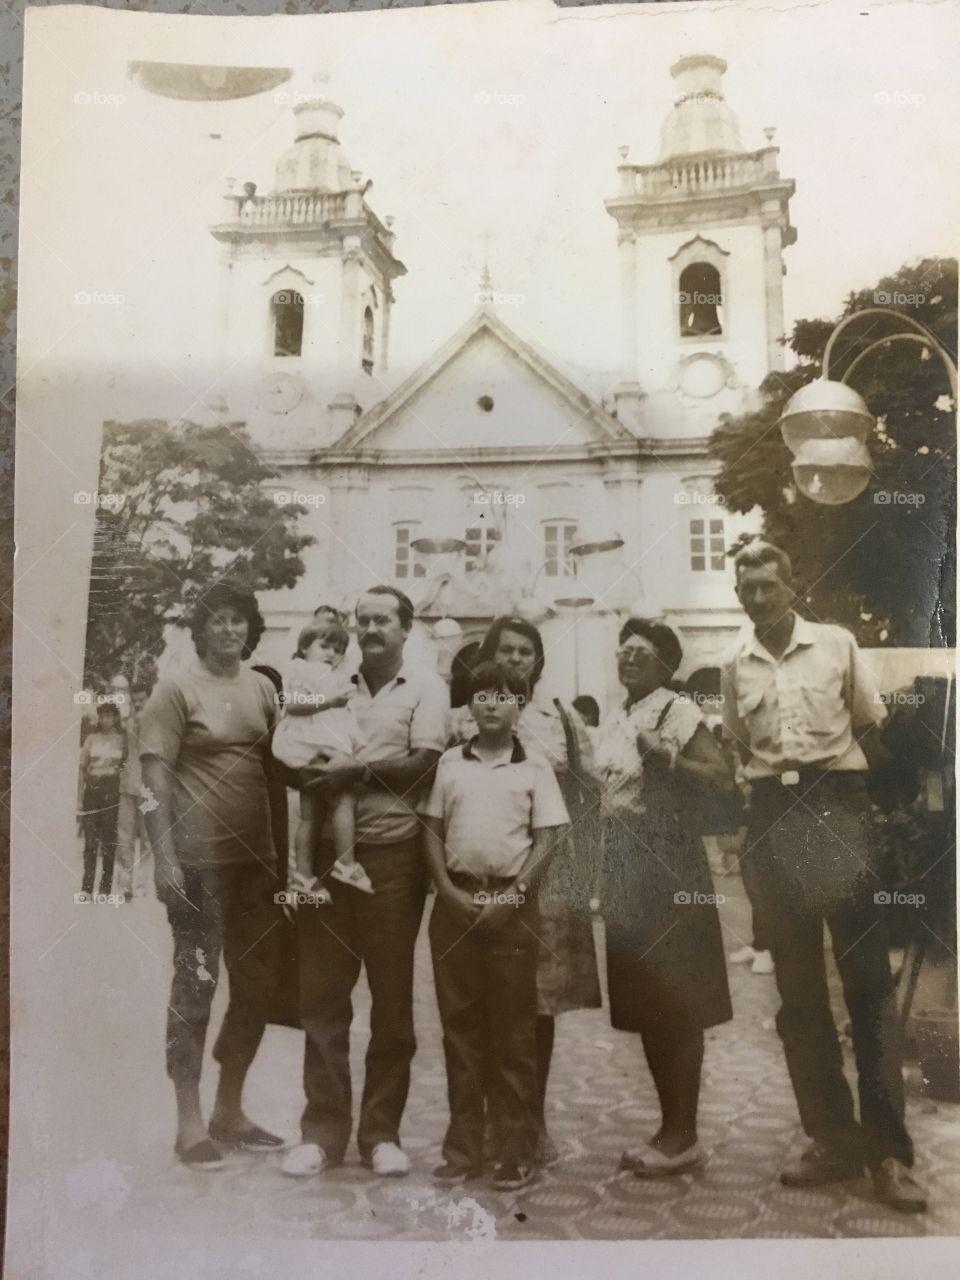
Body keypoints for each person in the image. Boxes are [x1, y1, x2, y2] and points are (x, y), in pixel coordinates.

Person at [721, 540, 926, 1213]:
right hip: (775, 820)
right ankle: (833, 1139)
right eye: (746, 588)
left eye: (767, 585)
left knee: (867, 984)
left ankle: (890, 1153)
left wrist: (872, 819)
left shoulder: (836, 645)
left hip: (838, 811)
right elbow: (741, 750)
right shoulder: (734, 666)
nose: (757, 598)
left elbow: (873, 726)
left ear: (792, 584)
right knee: (799, 995)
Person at [282, 585, 449, 1179]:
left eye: (383, 620)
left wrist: (356, 771)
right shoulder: (332, 682)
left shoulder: (426, 688)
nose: (370, 629)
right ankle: (322, 1134)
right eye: (363, 620)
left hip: (393, 860)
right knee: (323, 996)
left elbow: (424, 764)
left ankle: (381, 1133)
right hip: (329, 856)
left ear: (407, 629)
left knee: (391, 999)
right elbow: (291, 744)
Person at [139, 581, 286, 1171]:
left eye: (238, 620)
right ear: (199, 631)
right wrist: (165, 859)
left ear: (251, 630)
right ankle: (189, 1122)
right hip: (199, 869)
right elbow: (152, 782)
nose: (229, 630)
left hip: (256, 868)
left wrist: (286, 862)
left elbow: (279, 770)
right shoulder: (173, 690)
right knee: (194, 990)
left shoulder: (262, 689)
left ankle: (230, 1111)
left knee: (257, 989)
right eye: (218, 621)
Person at [421, 661, 570, 1191]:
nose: (490, 703)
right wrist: (447, 891)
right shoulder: (448, 765)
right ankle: (463, 1148)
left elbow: (548, 841)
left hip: (511, 909)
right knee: (460, 1029)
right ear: (469, 704)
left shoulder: (535, 769)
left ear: (521, 704)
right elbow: (432, 834)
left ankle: (514, 1150)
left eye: (503, 695)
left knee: (513, 1032)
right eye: (481, 694)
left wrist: (512, 897)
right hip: (455, 904)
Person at [595, 617, 735, 1176]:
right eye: (623, 649)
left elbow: (721, 775)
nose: (627, 657)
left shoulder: (677, 711)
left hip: (670, 866)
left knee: (677, 1002)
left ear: (666, 666)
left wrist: (669, 757)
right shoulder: (621, 713)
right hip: (627, 864)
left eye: (641, 652)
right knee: (646, 1004)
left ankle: (684, 1134)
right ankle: (670, 1128)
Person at [466, 616, 602, 1166]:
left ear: (538, 662)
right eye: (506, 650)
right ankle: (481, 1125)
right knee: (483, 1004)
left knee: (537, 1008)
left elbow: (590, 795)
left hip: (547, 882)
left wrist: (587, 874)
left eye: (526, 652)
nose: (516, 659)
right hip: (485, 879)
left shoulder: (563, 719)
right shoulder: (466, 719)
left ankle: (529, 1122)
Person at [272, 618, 372, 895]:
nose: (331, 654)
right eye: (324, 646)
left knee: (311, 812)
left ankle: (303, 875)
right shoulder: (301, 670)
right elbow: (292, 704)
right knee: (344, 797)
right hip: (308, 741)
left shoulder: (330, 674)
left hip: (315, 741)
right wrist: (331, 701)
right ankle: (346, 863)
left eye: (338, 649)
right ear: (304, 648)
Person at [77, 700, 126, 898]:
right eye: (102, 715)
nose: (105, 719)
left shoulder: (122, 740)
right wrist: (80, 798)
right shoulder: (91, 739)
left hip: (112, 789)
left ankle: (105, 887)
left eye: (109, 715)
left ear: (115, 718)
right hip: (93, 789)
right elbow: (82, 769)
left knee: (108, 838)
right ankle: (87, 887)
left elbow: (126, 766)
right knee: (90, 840)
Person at [115, 684, 152, 901]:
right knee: (124, 836)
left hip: (149, 790)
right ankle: (125, 885)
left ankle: (142, 885)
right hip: (128, 786)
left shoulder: (157, 723)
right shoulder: (127, 723)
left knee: (148, 839)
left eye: (142, 700)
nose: (138, 704)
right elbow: (124, 754)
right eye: (134, 701)